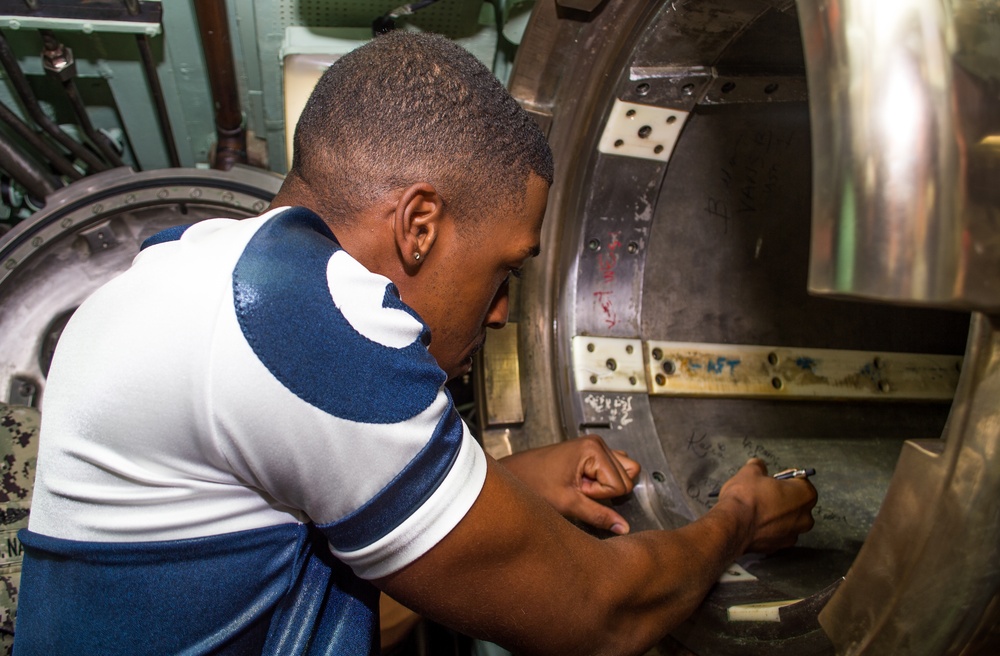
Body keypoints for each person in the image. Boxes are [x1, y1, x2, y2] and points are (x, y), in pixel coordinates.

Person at [13, 31, 816, 656]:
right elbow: (599, 617)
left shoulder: (182, 271)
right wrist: (738, 519)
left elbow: (294, 547)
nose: (500, 313)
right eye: (503, 270)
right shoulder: (299, 317)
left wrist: (510, 486)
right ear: (420, 225)